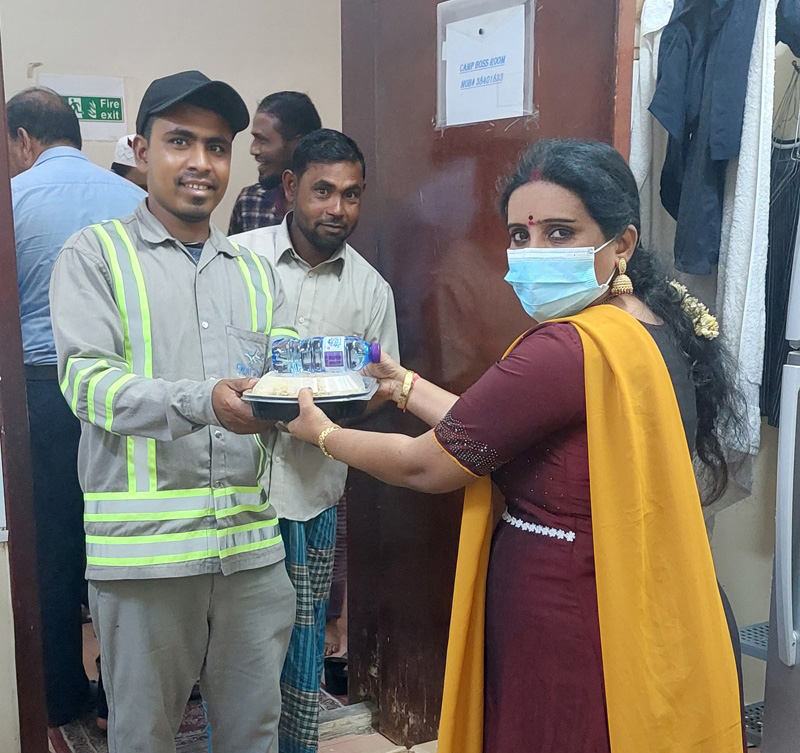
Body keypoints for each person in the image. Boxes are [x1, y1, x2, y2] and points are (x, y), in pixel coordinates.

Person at [286, 140, 747, 753]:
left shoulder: (567, 348)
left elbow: (428, 465)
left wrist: (320, 433)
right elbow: (492, 427)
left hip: (565, 606)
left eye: (560, 233)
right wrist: (404, 386)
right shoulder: (644, 326)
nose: (534, 253)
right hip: (633, 588)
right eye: (520, 236)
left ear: (622, 244)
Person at [49, 70, 299, 753]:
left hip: (250, 553)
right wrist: (203, 399)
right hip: (145, 561)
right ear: (141, 150)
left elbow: (278, 384)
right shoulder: (95, 256)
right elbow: (88, 384)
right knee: (144, 739)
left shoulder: (255, 273)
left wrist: (329, 386)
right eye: (179, 141)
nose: (200, 162)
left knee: (254, 734)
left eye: (217, 147)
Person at [231, 128, 399, 753]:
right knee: (236, 655)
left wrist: (334, 410)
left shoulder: (371, 290)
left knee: (301, 651)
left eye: (351, 195)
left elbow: (383, 383)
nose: (338, 208)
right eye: (323, 191)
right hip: (231, 494)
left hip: (311, 493)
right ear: (290, 187)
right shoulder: (235, 259)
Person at [6, 86, 145, 727]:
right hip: (126, 391)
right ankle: (123, 697)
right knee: (122, 540)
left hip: (40, 392)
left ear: (22, 139)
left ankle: (60, 696)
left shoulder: (12, 200)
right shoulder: (133, 199)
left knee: (51, 546)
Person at [228, 91, 321, 235]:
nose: (253, 150)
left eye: (262, 140)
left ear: (298, 144)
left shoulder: (329, 207)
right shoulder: (250, 201)